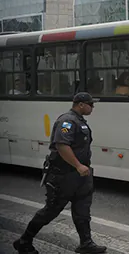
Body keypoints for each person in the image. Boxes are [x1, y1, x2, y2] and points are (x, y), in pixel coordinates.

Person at [13, 92, 107, 254]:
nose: (93, 107)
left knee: (82, 211)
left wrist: (82, 169)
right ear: (81, 105)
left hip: (81, 177)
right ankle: (24, 241)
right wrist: (78, 165)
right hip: (64, 175)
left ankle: (86, 243)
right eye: (91, 104)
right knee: (50, 211)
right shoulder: (67, 121)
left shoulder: (79, 121)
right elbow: (62, 145)